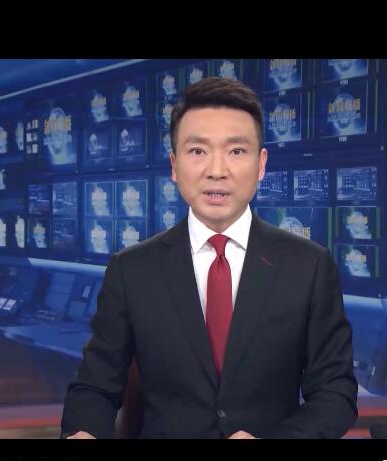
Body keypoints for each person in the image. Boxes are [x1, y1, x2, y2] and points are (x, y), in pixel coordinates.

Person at [61, 76, 357, 439]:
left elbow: (335, 392)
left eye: (237, 151)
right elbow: (94, 386)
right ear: (174, 165)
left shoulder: (308, 266)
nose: (217, 170)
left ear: (261, 164)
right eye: (198, 151)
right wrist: (84, 431)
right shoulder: (131, 270)